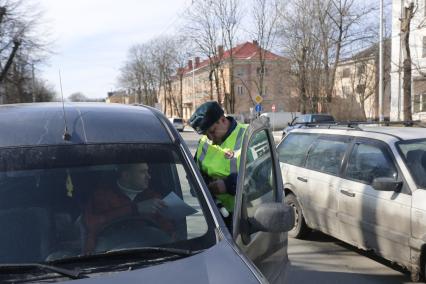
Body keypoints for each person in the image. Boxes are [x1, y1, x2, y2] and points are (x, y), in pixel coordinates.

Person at [82, 163, 173, 253]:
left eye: (148, 171)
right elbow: (91, 224)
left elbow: (168, 231)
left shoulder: (152, 197)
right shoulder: (102, 197)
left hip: (150, 251)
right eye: (142, 172)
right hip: (110, 254)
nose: (149, 176)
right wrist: (135, 209)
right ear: (126, 176)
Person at [189, 101, 248, 229]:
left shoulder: (248, 136)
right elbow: (193, 173)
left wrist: (229, 185)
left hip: (246, 219)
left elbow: (263, 177)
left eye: (212, 131)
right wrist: (204, 185)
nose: (210, 138)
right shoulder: (204, 142)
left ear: (222, 120)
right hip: (215, 216)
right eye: (206, 134)